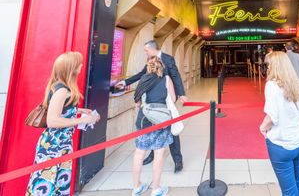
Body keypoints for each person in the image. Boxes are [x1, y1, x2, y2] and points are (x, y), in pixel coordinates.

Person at [26, 52, 100, 196]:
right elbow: (52, 121)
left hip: (61, 145)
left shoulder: (61, 87)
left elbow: (61, 110)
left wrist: (79, 110)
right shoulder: (62, 90)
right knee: (47, 185)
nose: (81, 65)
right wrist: (82, 119)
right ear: (71, 68)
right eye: (79, 63)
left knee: (58, 184)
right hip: (54, 146)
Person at [116, 40, 187, 172]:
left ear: (153, 49)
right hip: (151, 102)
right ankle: (153, 155)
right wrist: (125, 82)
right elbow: (141, 75)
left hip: (166, 101)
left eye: (146, 50)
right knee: (154, 127)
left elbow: (176, 76)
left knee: (171, 129)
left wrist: (181, 94)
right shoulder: (150, 60)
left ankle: (178, 160)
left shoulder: (168, 59)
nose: (145, 53)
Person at [260, 51, 299, 196]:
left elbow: (271, 117)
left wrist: (262, 128)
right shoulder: (297, 85)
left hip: (281, 144)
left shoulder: (272, 85)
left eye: (268, 65)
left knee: (288, 190)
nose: (267, 68)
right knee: (298, 181)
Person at [131, 57, 175, 196]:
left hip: (144, 120)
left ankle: (137, 186)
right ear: (161, 67)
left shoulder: (143, 79)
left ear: (148, 67)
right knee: (159, 153)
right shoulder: (166, 79)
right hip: (160, 120)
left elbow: (137, 102)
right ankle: (155, 189)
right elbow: (173, 99)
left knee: (139, 153)